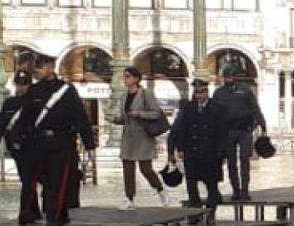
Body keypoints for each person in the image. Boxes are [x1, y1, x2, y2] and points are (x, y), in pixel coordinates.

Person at [13, 57, 97, 226]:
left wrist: (89, 145)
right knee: (40, 180)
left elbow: (80, 117)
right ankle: (41, 213)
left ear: (51, 68)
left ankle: (54, 217)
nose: (37, 71)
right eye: (36, 67)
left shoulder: (66, 90)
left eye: (40, 67)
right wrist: (19, 139)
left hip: (61, 141)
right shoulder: (34, 90)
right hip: (38, 142)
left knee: (59, 180)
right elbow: (24, 117)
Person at [110, 66, 169, 210]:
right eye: (124, 76)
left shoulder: (146, 94)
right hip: (128, 137)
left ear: (136, 78)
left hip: (143, 136)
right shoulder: (124, 96)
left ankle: (160, 190)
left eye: (128, 76)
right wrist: (116, 119)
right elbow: (125, 116)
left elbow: (156, 113)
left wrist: (140, 113)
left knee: (146, 169)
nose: (125, 79)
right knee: (128, 169)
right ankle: (129, 199)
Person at [0, 71, 38, 225]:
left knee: (30, 179)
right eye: (19, 84)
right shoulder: (9, 103)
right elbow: (0, 125)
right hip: (16, 147)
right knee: (27, 179)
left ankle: (27, 211)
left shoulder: (35, 102)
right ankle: (31, 211)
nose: (21, 88)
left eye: (24, 84)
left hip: (33, 145)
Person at [167, 77, 226, 209]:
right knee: (191, 185)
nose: (199, 95)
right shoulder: (188, 108)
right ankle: (195, 214)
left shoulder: (217, 108)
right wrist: (174, 150)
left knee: (211, 184)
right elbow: (178, 129)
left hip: (211, 153)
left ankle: (210, 214)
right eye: (197, 92)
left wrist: (222, 153)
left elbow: (222, 132)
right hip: (192, 151)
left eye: (202, 92)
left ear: (207, 92)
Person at [212, 69, 267, 203]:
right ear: (223, 78)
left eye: (231, 76)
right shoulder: (218, 93)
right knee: (231, 162)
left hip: (245, 130)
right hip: (228, 132)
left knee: (244, 159)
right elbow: (213, 112)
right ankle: (236, 190)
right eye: (226, 77)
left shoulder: (245, 91)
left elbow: (255, 108)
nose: (229, 79)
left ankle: (245, 190)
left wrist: (263, 125)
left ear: (235, 77)